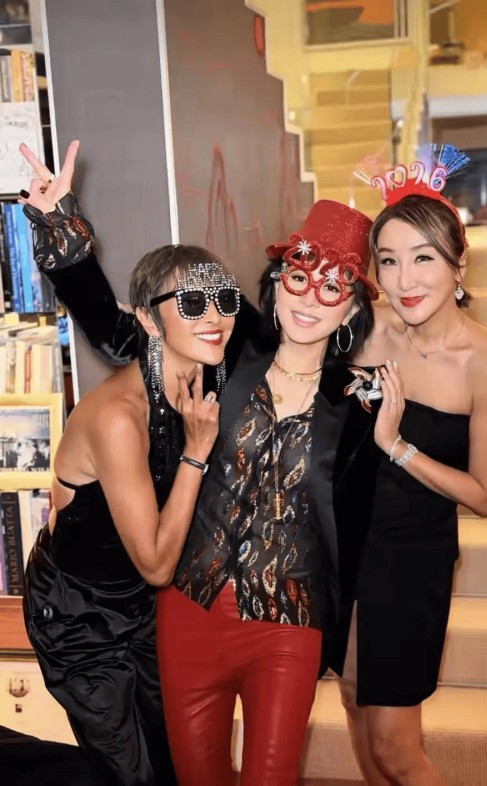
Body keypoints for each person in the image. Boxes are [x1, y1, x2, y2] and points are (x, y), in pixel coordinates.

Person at [18, 141, 380, 786]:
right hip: (166, 602)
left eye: (333, 287)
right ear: (276, 284)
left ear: (352, 308)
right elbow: (128, 332)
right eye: (299, 276)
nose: (310, 297)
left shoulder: (361, 403)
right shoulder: (227, 359)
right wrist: (62, 232)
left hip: (280, 615)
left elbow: (369, 519)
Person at [20, 145, 239, 785]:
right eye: (191, 304)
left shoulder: (210, 372)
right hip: (79, 615)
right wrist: (197, 451)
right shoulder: (119, 416)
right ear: (150, 319)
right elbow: (156, 563)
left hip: (143, 608)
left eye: (223, 299)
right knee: (132, 775)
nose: (214, 317)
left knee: (177, 760)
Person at [333, 159, 487, 786]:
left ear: (458, 265)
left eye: (423, 258)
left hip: (411, 561)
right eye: (388, 260)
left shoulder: (485, 363)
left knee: (395, 748)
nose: (404, 279)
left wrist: (397, 446)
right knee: (351, 700)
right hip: (344, 544)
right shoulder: (369, 329)